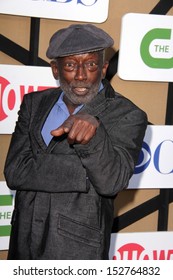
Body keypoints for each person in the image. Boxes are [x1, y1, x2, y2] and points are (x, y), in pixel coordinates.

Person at [4, 24, 148, 260]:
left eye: (91, 65)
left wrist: (95, 137)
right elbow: (15, 171)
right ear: (55, 70)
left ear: (103, 68)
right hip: (23, 243)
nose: (81, 75)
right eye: (70, 65)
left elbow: (111, 181)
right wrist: (85, 175)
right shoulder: (33, 103)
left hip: (77, 251)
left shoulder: (128, 114)